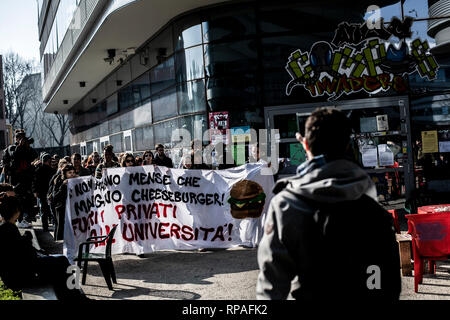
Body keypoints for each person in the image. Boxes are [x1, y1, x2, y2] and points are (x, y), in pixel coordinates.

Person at [256, 107, 401, 301]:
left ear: (305, 145)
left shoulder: (285, 207)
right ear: (348, 147)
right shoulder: (376, 212)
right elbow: (389, 286)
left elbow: (271, 287)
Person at [0, 194, 87, 300]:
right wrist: (27, 239)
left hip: (17, 275)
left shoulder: (6, 227)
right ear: (16, 211)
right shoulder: (8, 229)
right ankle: (77, 296)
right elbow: (26, 255)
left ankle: (75, 296)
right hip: (21, 277)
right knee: (62, 263)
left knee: (60, 267)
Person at [2, 129, 38, 228]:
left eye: (22, 137)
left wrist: (27, 147)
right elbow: (13, 156)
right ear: (16, 139)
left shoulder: (27, 149)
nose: (20, 139)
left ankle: (24, 219)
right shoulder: (12, 148)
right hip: (15, 179)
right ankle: (18, 219)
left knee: (27, 201)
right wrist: (20, 146)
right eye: (18, 137)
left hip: (26, 179)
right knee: (16, 200)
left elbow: (34, 156)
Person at [32, 153, 56, 232]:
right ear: (48, 160)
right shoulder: (51, 170)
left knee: (44, 210)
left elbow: (34, 181)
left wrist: (35, 191)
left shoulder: (38, 169)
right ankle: (53, 224)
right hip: (49, 192)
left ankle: (45, 226)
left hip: (42, 192)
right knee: (51, 209)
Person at [52, 164, 77, 241]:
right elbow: (55, 197)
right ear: (65, 174)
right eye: (69, 173)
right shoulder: (59, 181)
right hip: (62, 209)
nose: (72, 174)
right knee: (61, 228)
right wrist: (63, 185)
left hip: (73, 209)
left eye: (73, 172)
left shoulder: (77, 181)